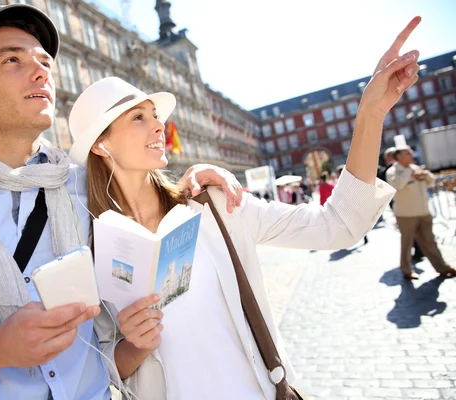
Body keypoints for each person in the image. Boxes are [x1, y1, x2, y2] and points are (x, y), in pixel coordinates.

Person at [0, 5, 242, 399]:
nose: (41, 71)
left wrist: (191, 183)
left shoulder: (89, 187)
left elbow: (149, 203)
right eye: (12, 60)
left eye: (45, 62)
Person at [66, 16, 423, 399]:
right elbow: (90, 364)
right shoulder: (89, 244)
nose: (159, 128)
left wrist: (371, 113)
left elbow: (339, 224)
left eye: (156, 116)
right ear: (101, 145)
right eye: (139, 118)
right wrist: (134, 347)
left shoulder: (217, 205)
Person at [385, 145, 456, 280]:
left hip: (424, 211)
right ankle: (406, 270)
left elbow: (431, 183)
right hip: (406, 214)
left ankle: (442, 267)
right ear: (399, 156)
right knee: (407, 243)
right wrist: (408, 173)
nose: (412, 156)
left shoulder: (416, 168)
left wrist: (426, 175)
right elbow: (397, 185)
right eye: (408, 153)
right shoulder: (393, 171)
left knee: (430, 241)